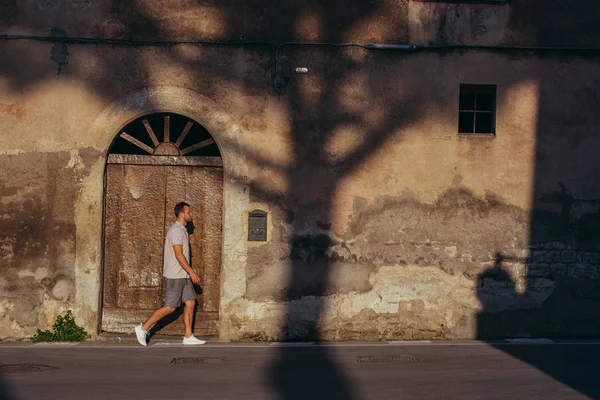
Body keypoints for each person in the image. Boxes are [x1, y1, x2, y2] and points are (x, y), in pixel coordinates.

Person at [134, 202, 206, 346]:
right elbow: (179, 255)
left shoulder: (182, 230)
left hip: (183, 275)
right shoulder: (176, 231)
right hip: (175, 275)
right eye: (189, 212)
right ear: (181, 214)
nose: (191, 214)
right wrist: (192, 273)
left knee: (191, 302)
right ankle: (143, 328)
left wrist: (188, 274)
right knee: (171, 306)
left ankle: (188, 336)